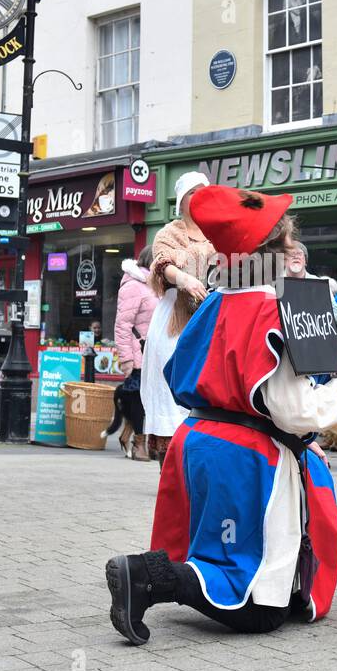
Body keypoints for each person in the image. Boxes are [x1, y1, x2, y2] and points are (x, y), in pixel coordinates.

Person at [106, 185, 337, 645]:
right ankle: (148, 577)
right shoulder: (276, 307)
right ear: (271, 250)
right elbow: (293, 411)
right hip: (249, 456)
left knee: (241, 564)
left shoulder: (213, 303)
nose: (293, 250)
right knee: (259, 611)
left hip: (200, 443)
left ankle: (166, 575)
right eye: (287, 243)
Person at [141, 171, 216, 465]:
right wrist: (184, 279)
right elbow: (163, 264)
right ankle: (170, 466)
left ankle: (201, 461)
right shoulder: (168, 233)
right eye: (192, 192)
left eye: (203, 191)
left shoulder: (218, 231)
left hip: (211, 314)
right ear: (182, 200)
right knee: (171, 382)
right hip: (176, 317)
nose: (198, 197)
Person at [114, 245, 158, 460]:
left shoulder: (156, 285)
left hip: (156, 353)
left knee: (152, 401)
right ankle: (139, 444)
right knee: (139, 402)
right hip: (139, 354)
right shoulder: (133, 285)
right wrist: (126, 359)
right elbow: (122, 325)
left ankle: (148, 442)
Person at [284, 241, 337, 319]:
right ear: (284, 261)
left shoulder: (319, 284)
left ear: (305, 261)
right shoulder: (275, 286)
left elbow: (335, 314)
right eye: (291, 254)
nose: (295, 256)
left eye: (299, 254)